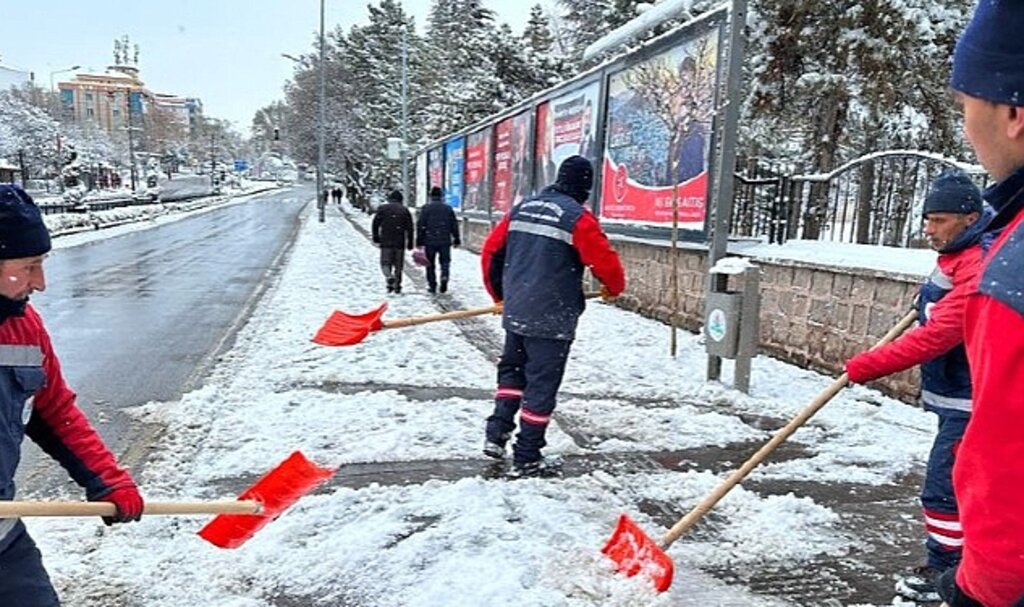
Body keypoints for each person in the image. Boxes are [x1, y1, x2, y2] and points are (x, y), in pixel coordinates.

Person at [843, 171, 989, 603]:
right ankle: (967, 563)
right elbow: (935, 295)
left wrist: (864, 366)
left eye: (939, 219)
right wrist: (924, 298)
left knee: (944, 487)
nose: (929, 229)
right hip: (959, 394)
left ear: (970, 218)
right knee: (964, 486)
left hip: (974, 399)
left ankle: (946, 567)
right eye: (927, 218)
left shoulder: (979, 263)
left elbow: (936, 336)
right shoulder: (957, 252)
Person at [0, 184, 144, 605]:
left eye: (41, 264)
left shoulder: (23, 328)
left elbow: (54, 410)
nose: (40, 283)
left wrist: (106, 480)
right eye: (28, 267)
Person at [936, 3, 1024, 605]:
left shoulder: (1012, 267)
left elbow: (1007, 457)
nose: (967, 127)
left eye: (968, 107)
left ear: (1013, 113)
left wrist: (984, 587)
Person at [480, 156, 626, 476]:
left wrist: (500, 297)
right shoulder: (577, 218)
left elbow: (492, 252)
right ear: (585, 188)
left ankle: (497, 432)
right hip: (552, 316)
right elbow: (605, 261)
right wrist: (614, 287)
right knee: (541, 385)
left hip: (518, 310)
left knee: (512, 374)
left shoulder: (523, 208)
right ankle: (528, 454)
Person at [416, 186, 461, 294]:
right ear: (441, 196)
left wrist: (419, 240)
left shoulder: (426, 208)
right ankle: (444, 276)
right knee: (445, 262)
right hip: (444, 240)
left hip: (429, 240)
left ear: (431, 196)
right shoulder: (447, 208)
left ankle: (432, 285)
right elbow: (454, 225)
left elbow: (421, 225)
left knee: (429, 264)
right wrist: (456, 238)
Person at [371, 189, 414, 294]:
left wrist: (376, 236)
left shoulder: (383, 209)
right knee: (398, 265)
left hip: (386, 240)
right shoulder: (404, 210)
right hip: (399, 242)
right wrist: (410, 242)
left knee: (385, 262)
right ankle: (397, 285)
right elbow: (410, 227)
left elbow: (375, 223)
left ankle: (389, 277)